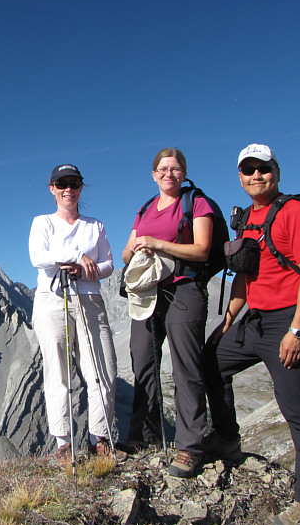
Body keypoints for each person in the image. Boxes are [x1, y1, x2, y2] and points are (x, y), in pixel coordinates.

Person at [203, 144, 300, 525]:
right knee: (211, 358)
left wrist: (298, 330)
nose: (256, 175)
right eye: (248, 170)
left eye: (263, 168)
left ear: (276, 171)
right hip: (252, 318)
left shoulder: (295, 213)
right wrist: (228, 319)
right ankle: (227, 439)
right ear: (240, 177)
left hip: (286, 322)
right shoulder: (248, 219)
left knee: (299, 411)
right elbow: (244, 275)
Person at [122, 148, 213, 478]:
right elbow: (125, 253)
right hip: (148, 291)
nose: (169, 174)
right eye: (163, 169)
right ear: (154, 174)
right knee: (143, 361)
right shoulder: (145, 209)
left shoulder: (195, 203)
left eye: (175, 169)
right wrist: (137, 247)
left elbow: (202, 251)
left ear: (184, 172)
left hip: (183, 289)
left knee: (185, 365)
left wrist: (158, 244)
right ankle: (141, 437)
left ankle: (189, 446)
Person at [29, 164, 125, 471]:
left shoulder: (95, 226)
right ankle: (64, 443)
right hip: (52, 299)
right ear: (52, 189)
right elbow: (37, 257)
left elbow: (108, 263)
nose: (68, 189)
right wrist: (74, 256)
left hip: (89, 298)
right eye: (62, 184)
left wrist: (86, 269)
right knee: (57, 370)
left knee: (103, 367)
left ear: (81, 188)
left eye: (74, 183)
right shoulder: (42, 222)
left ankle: (100, 438)